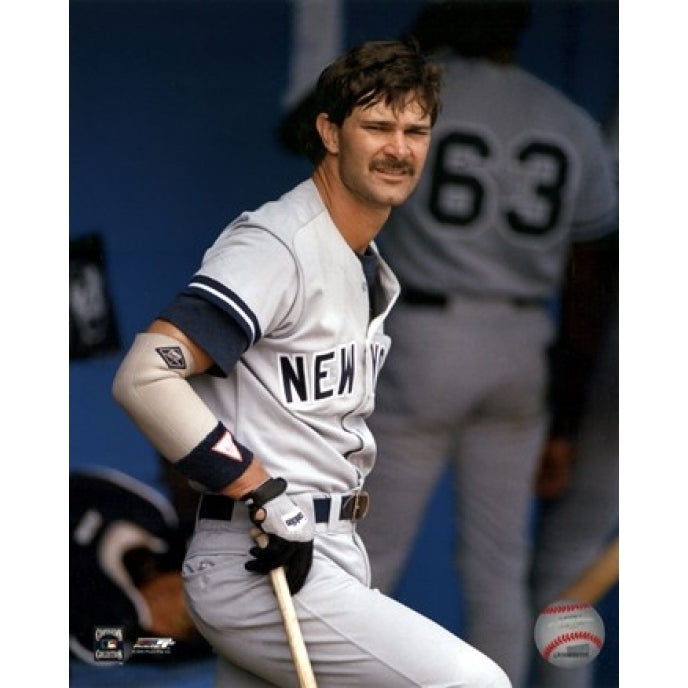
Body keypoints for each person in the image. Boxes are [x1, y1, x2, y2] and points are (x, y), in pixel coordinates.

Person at [112, 39, 511, 688]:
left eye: (416, 130)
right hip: (258, 556)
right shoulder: (278, 245)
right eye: (377, 126)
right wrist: (258, 489)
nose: (399, 148)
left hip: (325, 550)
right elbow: (144, 375)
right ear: (329, 131)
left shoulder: (357, 259)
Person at [350, 4, 619, 688]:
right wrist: (563, 414)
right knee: (498, 568)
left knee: (369, 557)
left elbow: (308, 141)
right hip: (525, 340)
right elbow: (589, 282)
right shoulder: (568, 117)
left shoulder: (414, 97)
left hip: (425, 333)